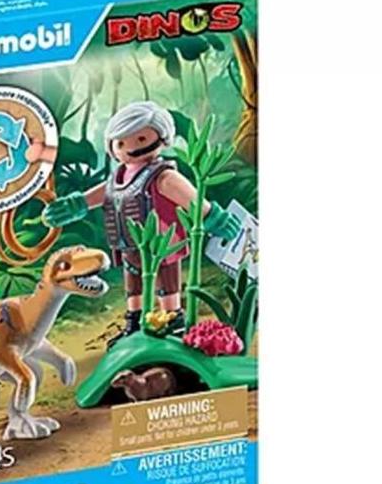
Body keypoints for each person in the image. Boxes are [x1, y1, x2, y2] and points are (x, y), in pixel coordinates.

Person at [43, 101, 241, 340]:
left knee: (166, 281)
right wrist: (78, 204)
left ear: (162, 137)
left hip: (162, 242)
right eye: (121, 142)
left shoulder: (164, 176)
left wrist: (214, 218)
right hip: (128, 241)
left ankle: (172, 320)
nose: (131, 147)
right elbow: (104, 192)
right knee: (133, 282)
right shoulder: (119, 176)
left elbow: (191, 198)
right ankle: (135, 322)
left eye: (141, 139)